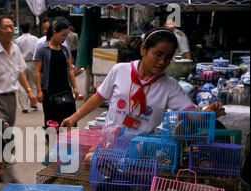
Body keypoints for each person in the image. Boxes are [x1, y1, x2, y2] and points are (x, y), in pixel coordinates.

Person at [61, 27, 224, 132]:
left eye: (168, 57)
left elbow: (189, 112)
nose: (162, 62)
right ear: (143, 50)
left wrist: (207, 113)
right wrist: (75, 117)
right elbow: (99, 97)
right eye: (158, 55)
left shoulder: (170, 86)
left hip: (142, 153)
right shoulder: (120, 70)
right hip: (108, 146)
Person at [34, 17, 80, 129]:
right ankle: (52, 145)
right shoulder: (42, 49)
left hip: (65, 90)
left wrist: (75, 87)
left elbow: (70, 69)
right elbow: (37, 71)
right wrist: (39, 91)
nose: (65, 38)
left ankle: (69, 145)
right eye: (62, 35)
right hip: (49, 91)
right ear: (54, 32)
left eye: (66, 36)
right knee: (52, 123)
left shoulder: (64, 49)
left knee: (70, 122)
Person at [14, 21, 38, 113]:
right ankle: (33, 102)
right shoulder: (35, 39)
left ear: (20, 29)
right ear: (30, 29)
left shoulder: (18, 40)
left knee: (21, 85)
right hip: (32, 62)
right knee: (33, 83)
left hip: (21, 63)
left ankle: (24, 107)